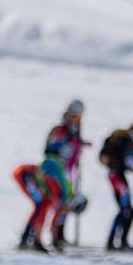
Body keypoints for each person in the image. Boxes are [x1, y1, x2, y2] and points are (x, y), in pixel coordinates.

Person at [99, 116, 133, 251]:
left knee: (128, 210)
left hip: (119, 176)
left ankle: (121, 241)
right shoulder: (124, 138)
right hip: (116, 176)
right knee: (125, 210)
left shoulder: (131, 141)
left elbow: (128, 160)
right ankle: (114, 242)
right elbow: (122, 161)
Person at [43, 101, 89, 249]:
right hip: (56, 172)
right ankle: (53, 236)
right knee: (58, 203)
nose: (75, 119)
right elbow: (50, 150)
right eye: (73, 116)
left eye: (78, 117)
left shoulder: (75, 131)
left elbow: (74, 150)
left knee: (67, 203)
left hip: (68, 173)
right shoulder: (60, 130)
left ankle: (60, 236)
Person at [13, 154, 69, 252]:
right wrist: (56, 242)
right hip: (24, 172)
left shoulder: (60, 199)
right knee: (40, 207)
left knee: (42, 207)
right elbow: (53, 225)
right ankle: (26, 239)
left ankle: (33, 240)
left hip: (28, 172)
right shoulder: (60, 198)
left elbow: (51, 222)